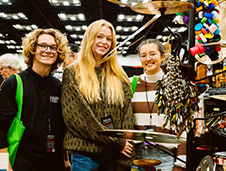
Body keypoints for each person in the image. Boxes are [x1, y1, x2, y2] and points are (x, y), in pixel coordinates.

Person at [61, 19, 134, 171]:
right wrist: (116, 143)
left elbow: (127, 115)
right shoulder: (72, 73)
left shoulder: (119, 75)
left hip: (113, 154)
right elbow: (77, 118)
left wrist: (125, 150)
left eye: (109, 39)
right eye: (99, 37)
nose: (104, 42)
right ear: (89, 38)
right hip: (84, 154)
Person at [0, 28, 70, 171]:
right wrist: (3, 166)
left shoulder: (59, 86)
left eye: (53, 47)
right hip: (22, 163)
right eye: (42, 45)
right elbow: (0, 128)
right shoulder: (15, 83)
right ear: (33, 48)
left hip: (54, 164)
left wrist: (66, 158)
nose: (48, 50)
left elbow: (62, 126)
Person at [131, 39, 176, 171]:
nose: (148, 59)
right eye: (143, 55)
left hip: (165, 155)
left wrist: (181, 164)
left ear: (162, 57)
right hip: (137, 154)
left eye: (152, 54)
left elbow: (182, 128)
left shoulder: (174, 85)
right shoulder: (131, 84)